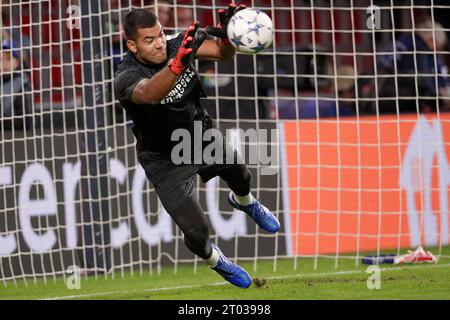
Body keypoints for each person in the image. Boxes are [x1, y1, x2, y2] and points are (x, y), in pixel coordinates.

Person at [114, 5, 280, 289]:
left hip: (197, 137)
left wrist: (229, 37)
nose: (159, 43)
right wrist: (176, 64)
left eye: (161, 35)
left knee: (242, 176)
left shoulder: (177, 44)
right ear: (132, 44)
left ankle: (244, 202)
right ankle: (215, 260)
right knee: (197, 231)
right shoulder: (126, 77)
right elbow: (151, 93)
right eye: (149, 40)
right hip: (162, 160)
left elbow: (220, 54)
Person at [377, 19, 450, 114]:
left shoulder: (403, 41)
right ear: (431, 40)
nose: (437, 52)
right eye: (438, 47)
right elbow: (431, 82)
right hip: (407, 105)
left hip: (384, 100)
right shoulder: (420, 49)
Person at [1, 39, 32, 130]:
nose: (4, 63)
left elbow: (25, 123)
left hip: (15, 138)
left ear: (17, 61)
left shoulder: (21, 84)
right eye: (0, 59)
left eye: (9, 59)